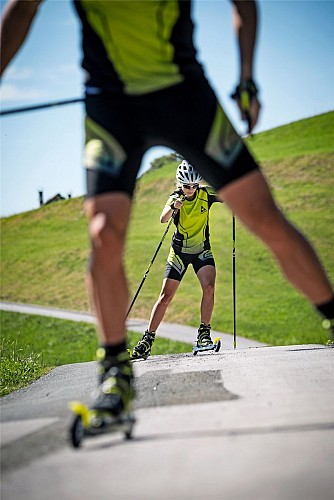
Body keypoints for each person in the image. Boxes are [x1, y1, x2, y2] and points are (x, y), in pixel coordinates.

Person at [1, 1, 333, 422]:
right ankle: (116, 374)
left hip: (185, 96)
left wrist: (247, 76)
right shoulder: (175, 198)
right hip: (112, 105)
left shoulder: (202, 193)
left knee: (264, 214)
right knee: (103, 233)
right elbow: (22, 7)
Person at [132, 160, 221, 360]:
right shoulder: (176, 197)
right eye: (186, 186)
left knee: (209, 288)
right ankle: (147, 339)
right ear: (180, 184)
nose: (190, 190)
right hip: (179, 253)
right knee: (165, 297)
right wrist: (174, 207)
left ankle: (204, 334)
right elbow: (163, 218)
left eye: (194, 186)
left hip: (201, 251)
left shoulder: (206, 195)